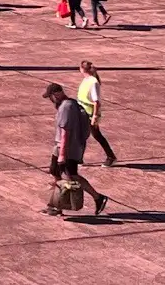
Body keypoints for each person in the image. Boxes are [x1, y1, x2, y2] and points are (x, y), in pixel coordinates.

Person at [41, 83, 108, 217]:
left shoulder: (67, 107)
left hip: (67, 149)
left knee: (71, 176)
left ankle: (97, 197)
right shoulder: (70, 104)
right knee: (55, 173)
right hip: (60, 147)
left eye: (51, 97)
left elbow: (66, 132)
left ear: (57, 94)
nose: (51, 100)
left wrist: (62, 155)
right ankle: (55, 205)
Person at [78, 60, 117, 167]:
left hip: (90, 114)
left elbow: (96, 102)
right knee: (81, 135)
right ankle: (78, 158)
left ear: (82, 69)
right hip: (83, 112)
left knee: (96, 135)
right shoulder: (87, 80)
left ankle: (111, 157)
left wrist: (94, 116)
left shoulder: (93, 82)